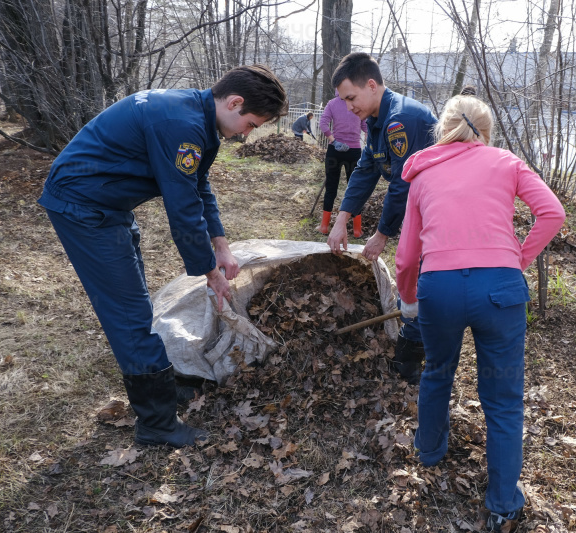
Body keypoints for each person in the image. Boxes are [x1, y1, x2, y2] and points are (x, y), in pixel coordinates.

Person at [38, 65, 288, 448]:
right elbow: (182, 207)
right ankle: (156, 421)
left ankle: (161, 382)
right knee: (128, 310)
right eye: (251, 123)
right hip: (83, 205)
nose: (247, 133)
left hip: (111, 203)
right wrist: (209, 272)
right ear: (234, 103)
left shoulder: (202, 120)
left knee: (137, 295)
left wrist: (220, 244)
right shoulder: (182, 126)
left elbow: (198, 185)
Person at [395, 95, 565, 532]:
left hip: (440, 289)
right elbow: (551, 212)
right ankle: (503, 505)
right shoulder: (506, 162)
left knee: (437, 371)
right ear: (486, 132)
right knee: (504, 400)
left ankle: (429, 452)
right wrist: (517, 260)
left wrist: (408, 297)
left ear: (443, 129)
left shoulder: (423, 172)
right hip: (500, 290)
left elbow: (407, 253)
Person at [326, 52, 437, 384]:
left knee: (416, 274)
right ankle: (415, 341)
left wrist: (382, 233)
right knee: (410, 274)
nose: (348, 107)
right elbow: (366, 169)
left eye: (351, 98)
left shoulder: (400, 121)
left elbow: (402, 185)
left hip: (435, 212)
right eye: (343, 101)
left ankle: (412, 360)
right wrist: (342, 218)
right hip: (418, 208)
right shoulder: (376, 120)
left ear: (371, 85)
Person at [316, 91, 368, 234]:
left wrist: (334, 140)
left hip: (335, 152)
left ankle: (324, 227)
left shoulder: (332, 103)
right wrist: (369, 142)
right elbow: (366, 126)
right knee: (355, 189)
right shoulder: (357, 103)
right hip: (354, 152)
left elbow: (323, 123)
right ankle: (357, 230)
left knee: (331, 188)